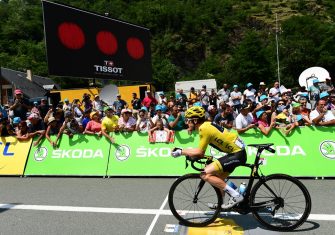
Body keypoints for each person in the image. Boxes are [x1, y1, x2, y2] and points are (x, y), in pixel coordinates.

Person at [171, 106, 247, 209]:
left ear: (195, 120)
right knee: (218, 179)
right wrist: (184, 151)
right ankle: (221, 204)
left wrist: (181, 152)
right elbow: (200, 150)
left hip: (236, 153)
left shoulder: (204, 128)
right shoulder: (207, 125)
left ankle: (236, 196)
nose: (187, 123)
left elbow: (199, 152)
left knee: (204, 175)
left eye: (188, 120)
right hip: (236, 152)